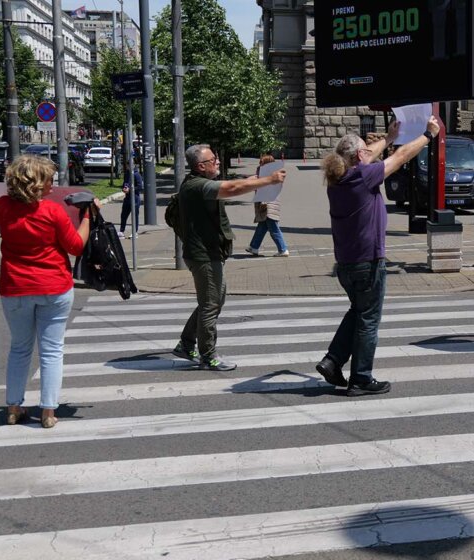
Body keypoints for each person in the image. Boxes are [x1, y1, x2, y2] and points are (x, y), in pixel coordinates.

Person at [316, 116, 440, 396]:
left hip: (346, 265)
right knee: (369, 319)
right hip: (368, 263)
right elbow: (401, 157)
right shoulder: (364, 175)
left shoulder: (337, 180)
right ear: (360, 156)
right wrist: (428, 135)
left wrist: (389, 136)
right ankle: (360, 378)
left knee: (358, 312)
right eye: (365, 151)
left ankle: (332, 360)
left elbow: (369, 154)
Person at [0, 155, 99, 429]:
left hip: (15, 287)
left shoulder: (4, 207)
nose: (52, 185)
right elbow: (75, 247)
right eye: (48, 180)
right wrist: (88, 217)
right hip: (54, 287)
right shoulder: (51, 211)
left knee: (19, 349)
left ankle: (13, 408)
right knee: (52, 350)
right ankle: (47, 412)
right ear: (35, 182)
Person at [172, 144, 287, 372]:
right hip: (203, 255)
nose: (217, 162)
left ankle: (186, 345)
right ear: (200, 166)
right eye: (212, 159)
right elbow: (233, 188)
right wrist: (268, 180)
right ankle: (208, 355)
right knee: (210, 305)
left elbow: (235, 184)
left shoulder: (196, 183)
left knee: (213, 301)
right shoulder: (198, 186)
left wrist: (258, 177)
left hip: (207, 252)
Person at [247, 154, 289, 257]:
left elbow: (262, 188)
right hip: (268, 204)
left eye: (261, 162)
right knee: (262, 227)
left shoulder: (268, 176)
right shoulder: (272, 175)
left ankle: (283, 249)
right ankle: (254, 247)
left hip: (268, 205)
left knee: (274, 228)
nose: (259, 164)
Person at [119, 162, 143, 237]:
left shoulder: (136, 174)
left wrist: (130, 190)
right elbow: (124, 184)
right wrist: (124, 188)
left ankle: (135, 232)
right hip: (127, 198)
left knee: (134, 215)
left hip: (135, 198)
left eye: (129, 165)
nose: (128, 166)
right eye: (127, 165)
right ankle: (121, 231)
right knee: (123, 215)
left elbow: (140, 187)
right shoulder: (127, 174)